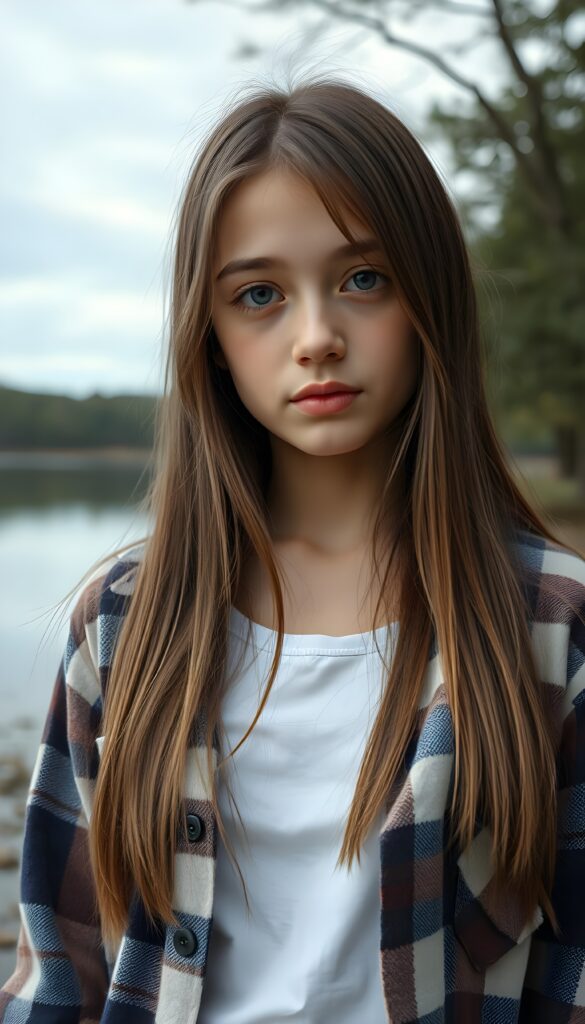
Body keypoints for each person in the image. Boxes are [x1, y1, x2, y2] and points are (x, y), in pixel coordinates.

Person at [1, 72, 584, 1024]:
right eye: (260, 294)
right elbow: (55, 973)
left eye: (362, 279)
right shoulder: (123, 618)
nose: (317, 337)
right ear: (211, 335)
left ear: (428, 295)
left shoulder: (553, 623)